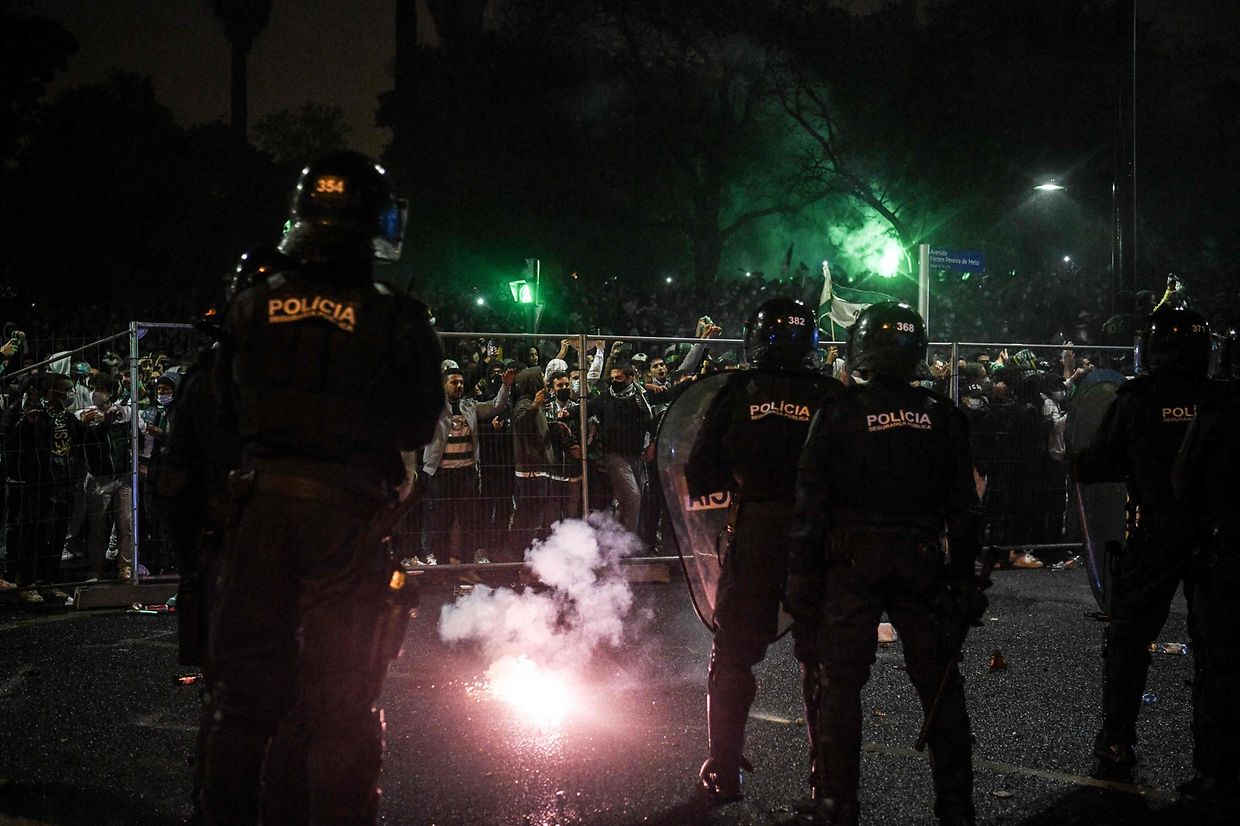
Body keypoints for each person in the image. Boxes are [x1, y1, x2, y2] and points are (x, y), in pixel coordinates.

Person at [196, 150, 444, 824]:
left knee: (242, 704)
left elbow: (220, 413)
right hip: (346, 521)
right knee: (342, 706)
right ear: (375, 222)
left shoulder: (251, 305)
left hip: (260, 512)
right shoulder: (396, 315)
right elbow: (418, 423)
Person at [787, 302, 985, 825]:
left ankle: (837, 803)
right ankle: (956, 808)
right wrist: (964, 578)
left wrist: (802, 579)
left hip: (851, 564)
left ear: (861, 350)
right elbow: (965, 508)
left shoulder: (839, 412)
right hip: (921, 562)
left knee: (840, 683)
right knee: (940, 682)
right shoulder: (942, 416)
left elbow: (810, 504)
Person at [685, 297, 842, 801]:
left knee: (733, 652)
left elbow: (699, 473)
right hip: (816, 535)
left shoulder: (736, 392)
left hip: (755, 531)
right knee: (820, 655)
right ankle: (828, 784)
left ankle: (724, 771)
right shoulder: (831, 395)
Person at [1074, 306, 1213, 783]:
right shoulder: (1222, 400)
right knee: (1217, 648)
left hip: (1156, 533)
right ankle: (1215, 763)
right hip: (1215, 535)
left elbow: (1101, 464)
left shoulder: (1137, 400)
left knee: (1129, 640)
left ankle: (1117, 742)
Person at [1171, 319, 1240, 810]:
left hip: (1225, 552)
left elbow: (1184, 478)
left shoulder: (1220, 407)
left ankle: (1216, 771)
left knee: (1219, 664)